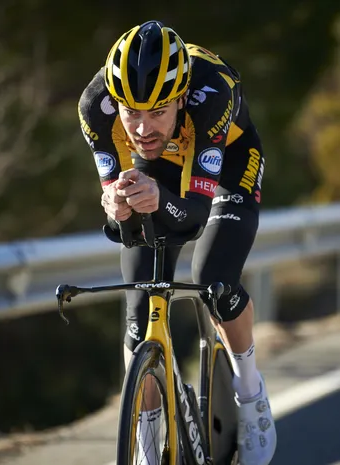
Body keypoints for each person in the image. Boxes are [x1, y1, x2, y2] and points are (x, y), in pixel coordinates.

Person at [78, 20, 276, 465]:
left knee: (212, 279)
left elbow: (195, 218)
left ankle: (250, 393)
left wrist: (159, 200)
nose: (142, 128)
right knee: (138, 309)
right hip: (159, 168)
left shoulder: (212, 94)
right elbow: (121, 221)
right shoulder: (94, 107)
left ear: (182, 98)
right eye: (131, 112)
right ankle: (146, 437)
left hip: (227, 162)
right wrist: (115, 205)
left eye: (158, 112)